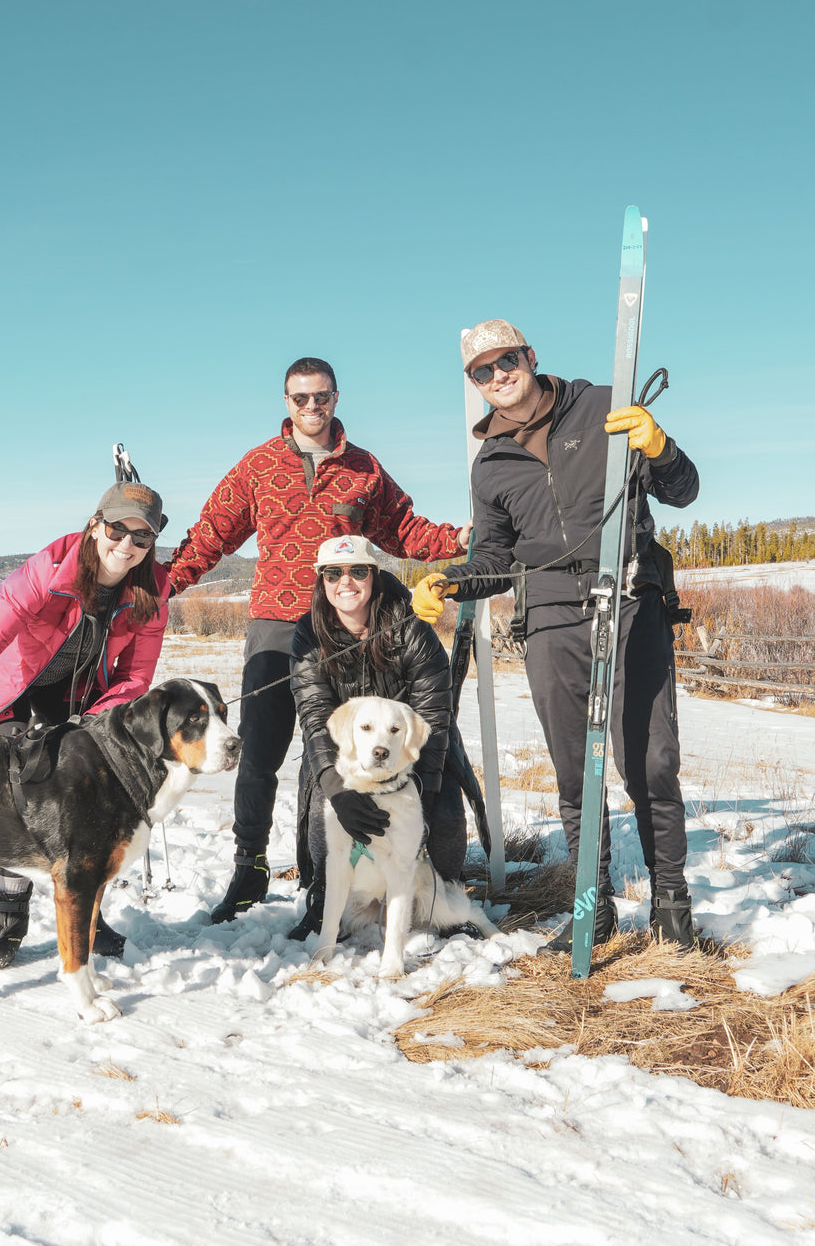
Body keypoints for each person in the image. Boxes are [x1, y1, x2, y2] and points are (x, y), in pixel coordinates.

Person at [412, 319, 700, 950]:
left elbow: (684, 491)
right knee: (576, 772)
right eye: (482, 371)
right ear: (474, 382)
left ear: (530, 356)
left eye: (506, 360)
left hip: (629, 596)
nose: (498, 375)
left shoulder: (603, 406)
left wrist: (660, 448)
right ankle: (592, 907)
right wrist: (452, 581)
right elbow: (496, 558)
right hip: (549, 616)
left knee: (651, 760)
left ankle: (671, 906)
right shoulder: (490, 464)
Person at [167, 355, 470, 921]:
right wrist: (162, 584)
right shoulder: (258, 466)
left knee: (326, 750)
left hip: (340, 629)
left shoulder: (363, 468)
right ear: (286, 402)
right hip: (276, 623)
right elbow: (212, 534)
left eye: (322, 396)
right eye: (301, 397)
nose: (312, 406)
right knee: (259, 753)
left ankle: (325, 876)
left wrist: (462, 539)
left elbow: (403, 527)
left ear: (336, 398)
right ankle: (250, 867)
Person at [0, 478, 171, 968]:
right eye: (117, 530)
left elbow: (135, 676)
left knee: (93, 802)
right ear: (95, 525)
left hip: (83, 700)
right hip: (15, 692)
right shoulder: (49, 569)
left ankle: (87, 915)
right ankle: (8, 917)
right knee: (21, 798)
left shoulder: (152, 590)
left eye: (142, 536)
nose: (127, 545)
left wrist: (92, 724)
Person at [288, 535, 469, 940]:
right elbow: (316, 718)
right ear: (321, 580)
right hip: (347, 751)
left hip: (414, 749)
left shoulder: (412, 627)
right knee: (321, 811)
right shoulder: (308, 635)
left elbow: (434, 715)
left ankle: (444, 894)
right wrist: (336, 788)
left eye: (357, 571)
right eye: (333, 573)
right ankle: (324, 899)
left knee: (444, 816)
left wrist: (420, 791)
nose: (345, 581)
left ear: (374, 576)